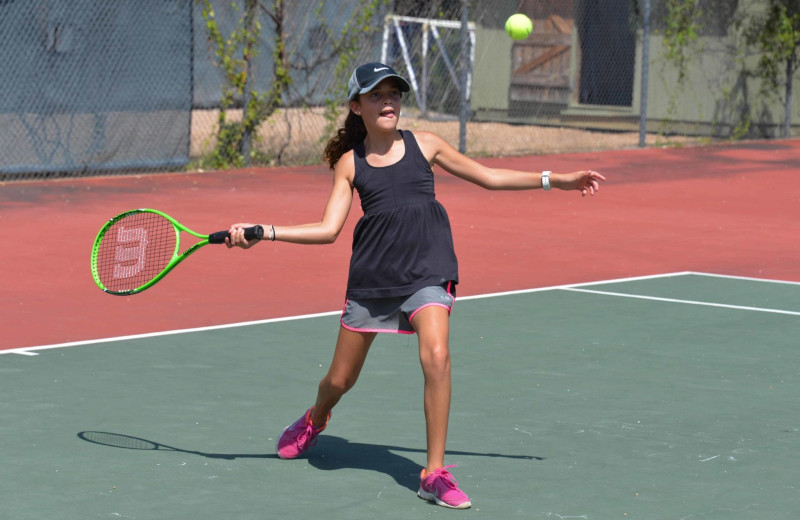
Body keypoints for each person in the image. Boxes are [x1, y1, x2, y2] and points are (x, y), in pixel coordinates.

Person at [225, 62, 606, 509]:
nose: (388, 101)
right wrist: (264, 231)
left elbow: (489, 177)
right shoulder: (351, 164)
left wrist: (556, 180)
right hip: (373, 279)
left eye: (394, 93)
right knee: (340, 379)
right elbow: (328, 229)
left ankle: (434, 473)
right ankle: (316, 417)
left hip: (427, 270)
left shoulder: (425, 145)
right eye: (376, 95)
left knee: (438, 356)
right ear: (356, 106)